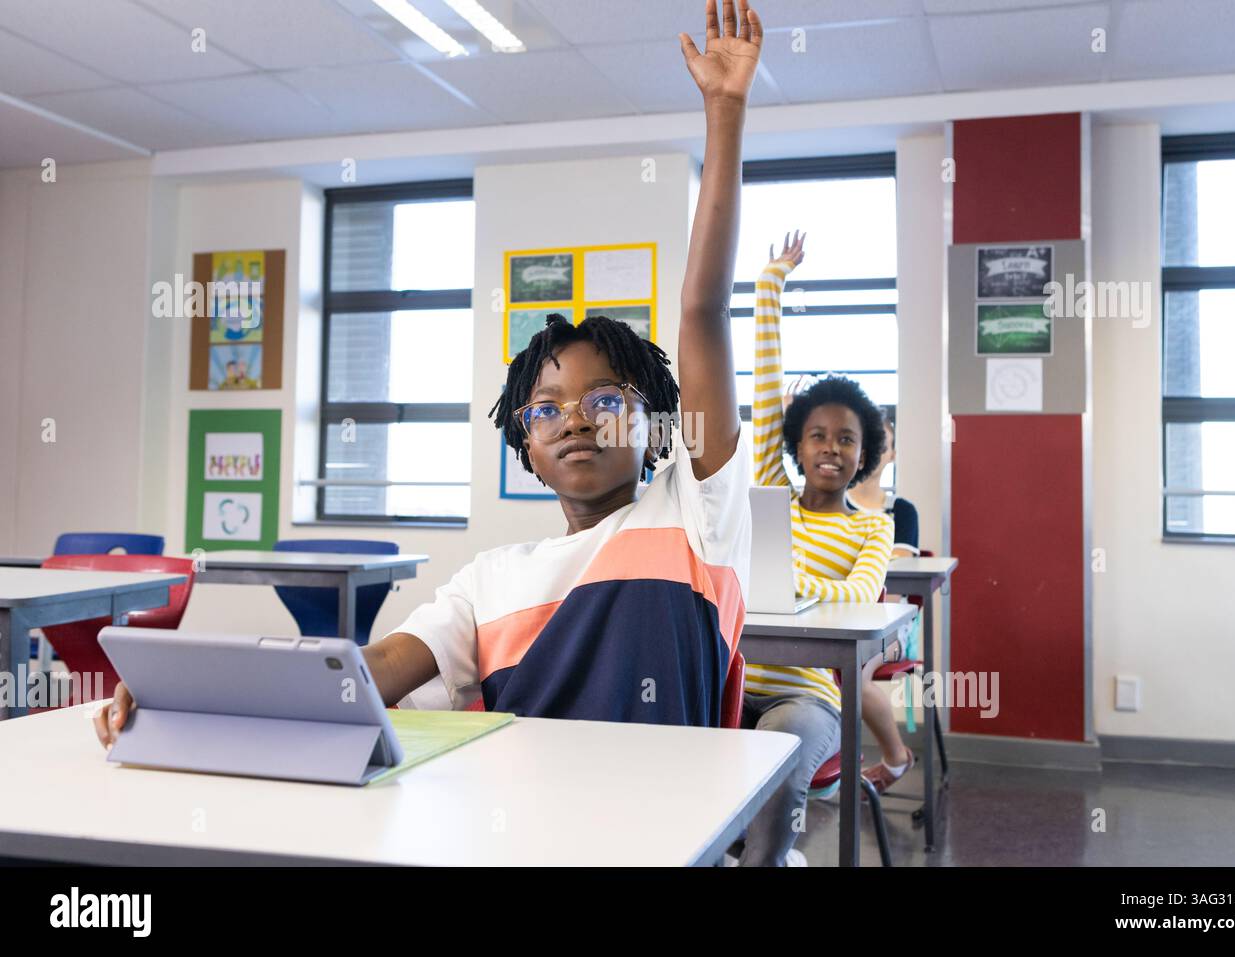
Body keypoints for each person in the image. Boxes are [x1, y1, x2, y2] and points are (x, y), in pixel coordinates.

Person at [96, 0, 767, 738]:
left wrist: (724, 114)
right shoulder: (491, 581)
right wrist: (183, 694)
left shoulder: (694, 518)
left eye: (603, 397)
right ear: (528, 448)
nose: (574, 417)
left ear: (656, 418)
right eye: (546, 409)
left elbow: (702, 309)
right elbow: (372, 669)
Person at [739, 232, 914, 867]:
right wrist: (769, 285)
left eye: (846, 439)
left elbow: (860, 596)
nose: (831, 449)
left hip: (805, 696)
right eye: (817, 436)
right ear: (796, 447)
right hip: (729, 684)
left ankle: (767, 861)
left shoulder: (872, 527)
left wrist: (775, 593)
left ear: (863, 453)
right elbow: (764, 388)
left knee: (780, 746)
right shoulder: (770, 498)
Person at [847, 408, 920, 558]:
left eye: (881, 448)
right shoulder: (831, 504)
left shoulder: (903, 511)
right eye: (867, 446)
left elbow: (900, 566)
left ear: (893, 455)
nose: (873, 454)